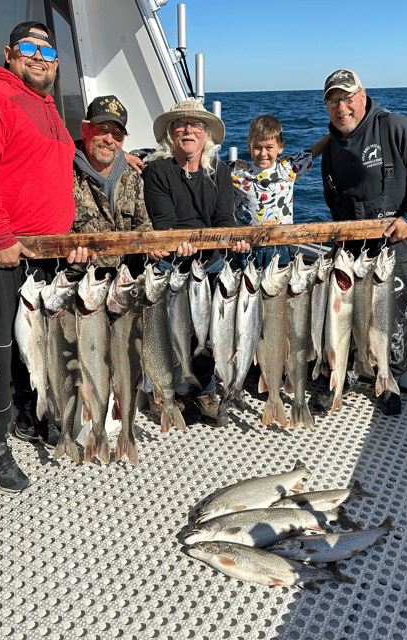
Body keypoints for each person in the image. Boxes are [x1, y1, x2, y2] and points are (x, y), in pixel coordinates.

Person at [0, 21, 88, 492]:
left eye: (49, 50)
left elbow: (45, 163)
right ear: (10, 52)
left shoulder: (47, 107)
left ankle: (28, 415)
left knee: (37, 341)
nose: (40, 56)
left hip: (42, 250)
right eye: (29, 47)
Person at [320, 69, 407, 416]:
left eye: (347, 98)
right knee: (345, 317)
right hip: (350, 247)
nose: (341, 107)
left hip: (393, 245)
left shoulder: (394, 126)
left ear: (362, 95)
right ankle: (341, 379)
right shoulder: (330, 146)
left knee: (392, 320)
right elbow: (333, 199)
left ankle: (389, 382)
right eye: (332, 102)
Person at [142, 100, 249, 424]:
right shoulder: (157, 170)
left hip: (211, 264)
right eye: (181, 124)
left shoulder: (221, 171)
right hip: (173, 263)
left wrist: (235, 239)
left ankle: (205, 388)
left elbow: (223, 218)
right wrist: (179, 244)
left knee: (212, 330)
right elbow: (165, 223)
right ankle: (164, 390)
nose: (188, 130)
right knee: (165, 330)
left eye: (196, 125)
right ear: (171, 134)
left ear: (206, 135)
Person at [70, 94, 194, 274]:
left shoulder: (132, 176)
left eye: (117, 134)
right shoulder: (64, 174)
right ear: (84, 129)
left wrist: (152, 248)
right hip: (82, 279)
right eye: (102, 130)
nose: (109, 140)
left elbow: (142, 225)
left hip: (128, 279)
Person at [229, 114, 329, 267]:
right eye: (257, 147)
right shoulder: (236, 171)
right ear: (248, 146)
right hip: (246, 247)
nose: (263, 154)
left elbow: (318, 148)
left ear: (280, 146)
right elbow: (207, 168)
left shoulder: (288, 167)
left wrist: (344, 128)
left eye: (269, 147)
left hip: (280, 245)